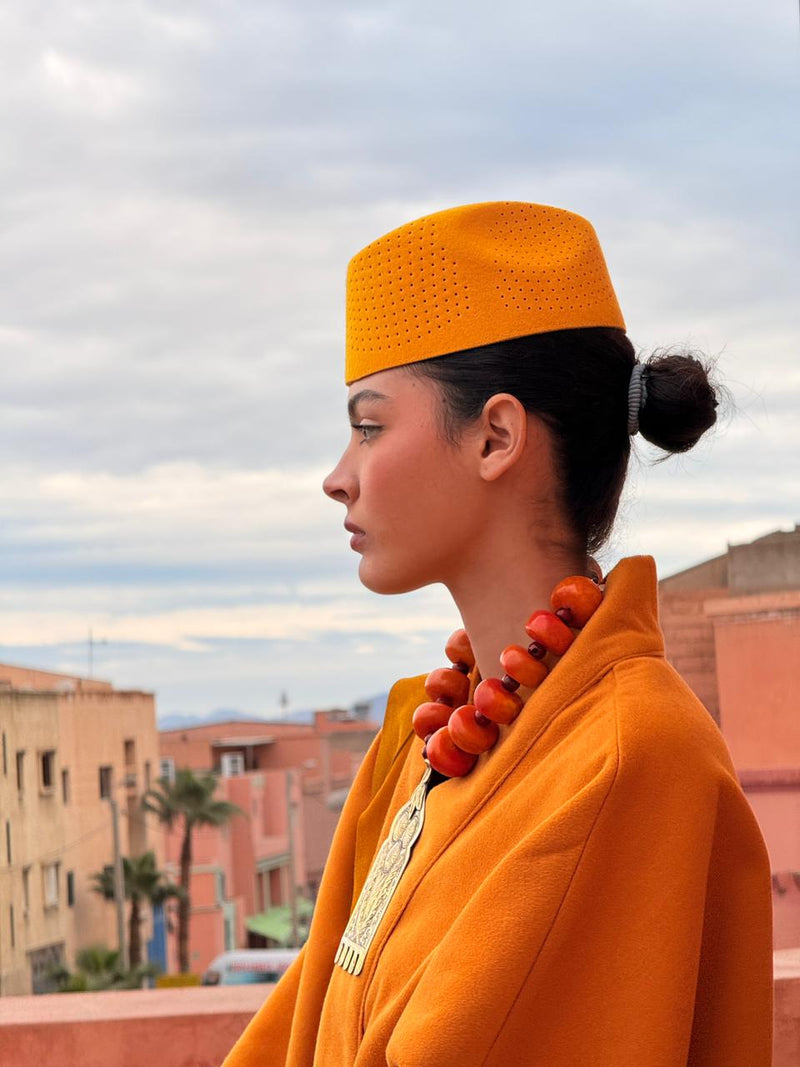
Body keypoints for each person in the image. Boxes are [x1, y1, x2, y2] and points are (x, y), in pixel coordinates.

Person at [223, 202, 772, 1066]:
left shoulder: (627, 759)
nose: (338, 476)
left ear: (496, 437)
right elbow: (306, 1016)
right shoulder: (428, 735)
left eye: (369, 427)